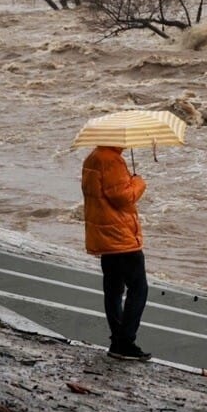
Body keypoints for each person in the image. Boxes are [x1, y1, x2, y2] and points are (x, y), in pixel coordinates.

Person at [81, 145, 152, 361]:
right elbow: (122, 197)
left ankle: (117, 341)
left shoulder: (92, 158)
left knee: (113, 289)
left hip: (104, 234)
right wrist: (138, 183)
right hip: (120, 237)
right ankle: (125, 342)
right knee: (138, 288)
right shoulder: (111, 160)